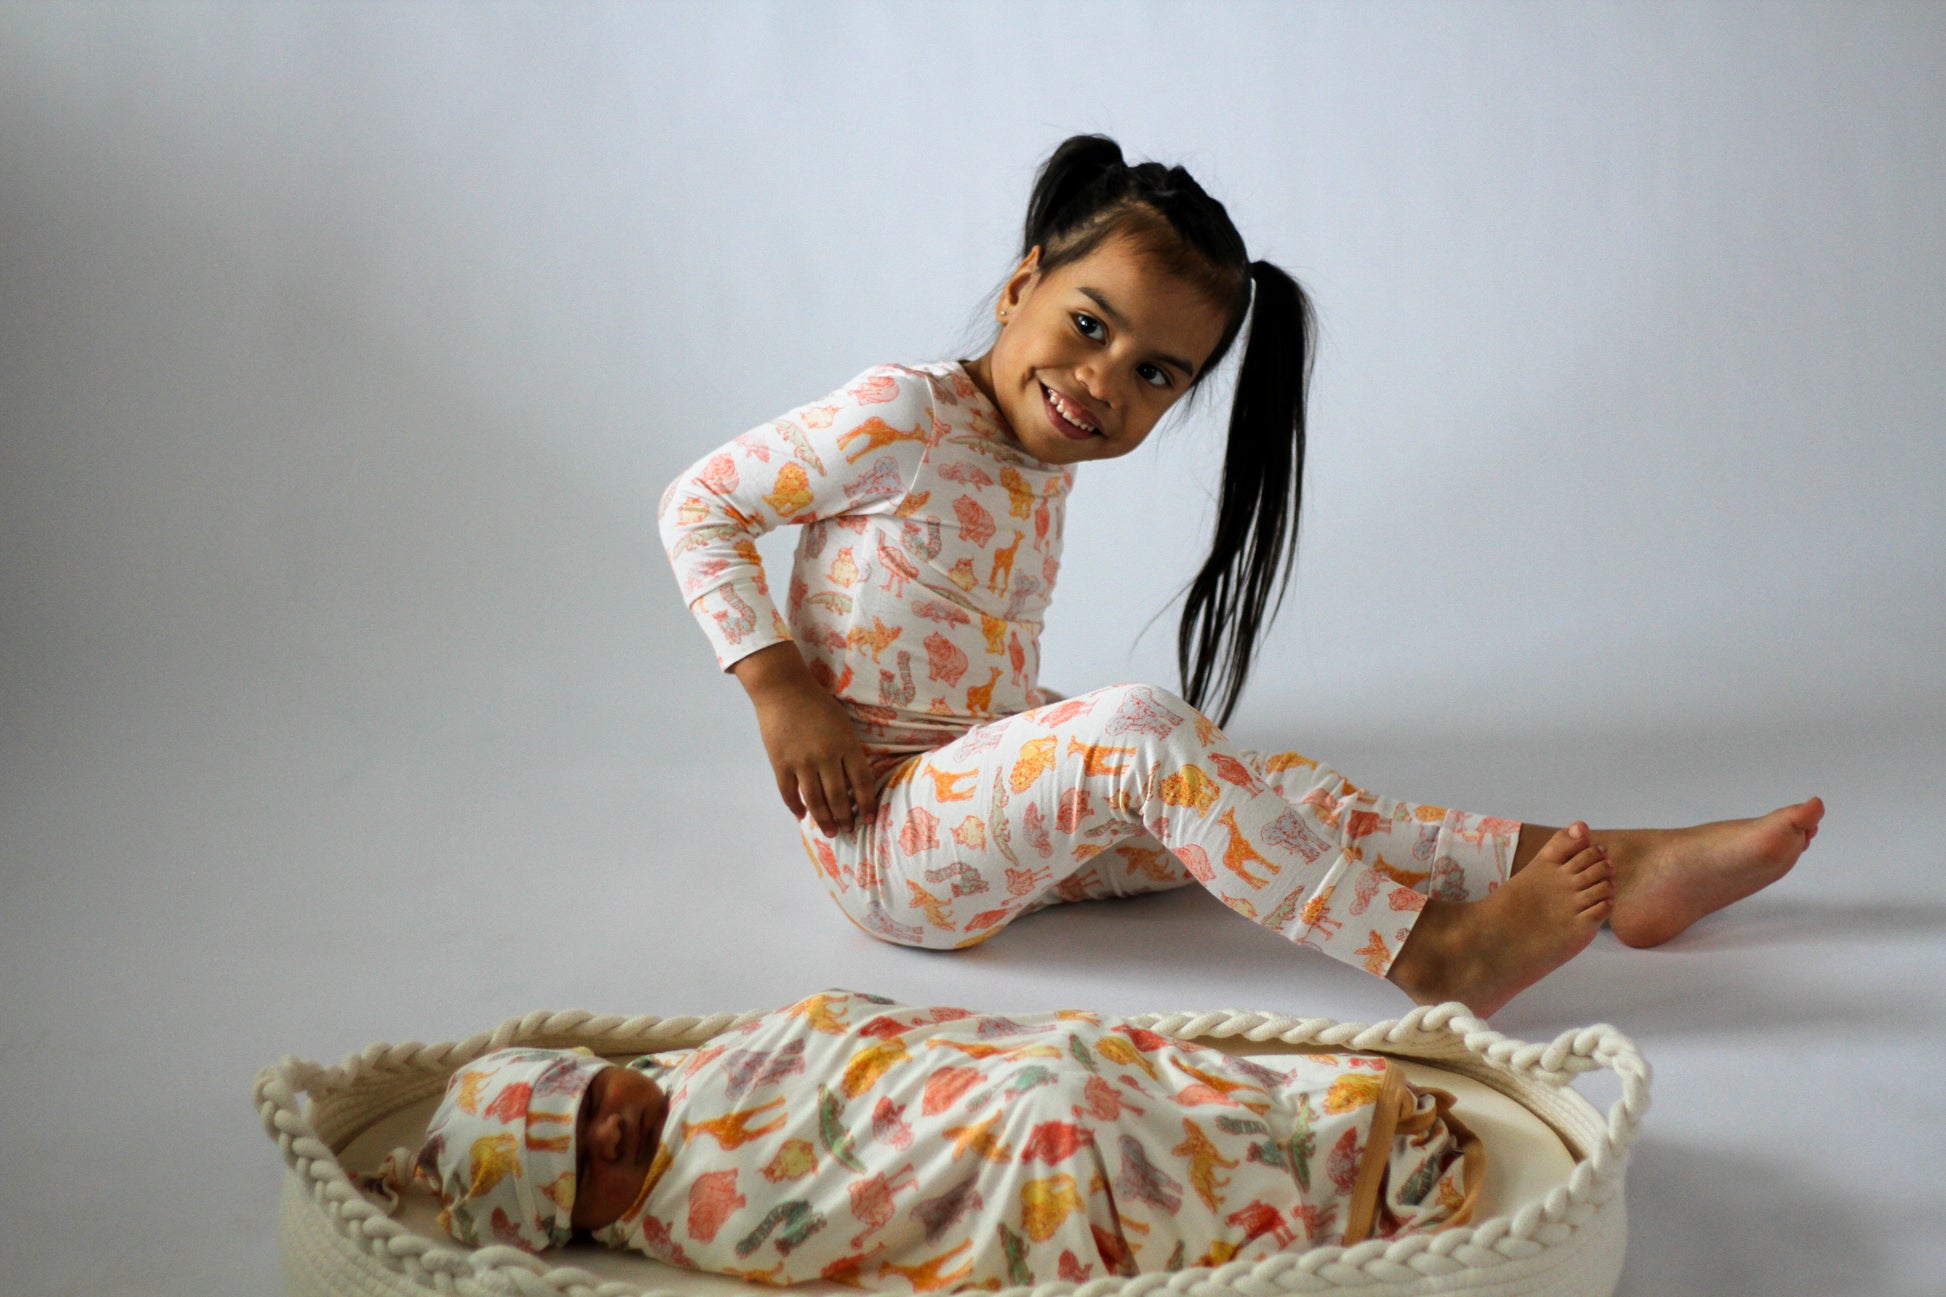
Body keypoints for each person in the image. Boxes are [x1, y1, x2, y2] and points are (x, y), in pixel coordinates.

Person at [660, 134, 1823, 1018]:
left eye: (1156, 373)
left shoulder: (1030, 460)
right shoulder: (901, 413)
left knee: (1261, 793)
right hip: (886, 838)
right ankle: (1434, 952)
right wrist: (780, 688)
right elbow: (698, 503)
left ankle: (1622, 866)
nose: (1101, 380)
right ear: (1019, 284)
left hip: (972, 798)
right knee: (1140, 729)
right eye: (1087, 323)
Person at [395, 990, 1484, 1288]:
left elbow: (850, 1035)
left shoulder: (699, 1072)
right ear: (575, 1218)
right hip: (994, 1144)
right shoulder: (699, 1207)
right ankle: (1327, 1174)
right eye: (581, 1162)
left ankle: (1319, 1119)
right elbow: (837, 1211)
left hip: (973, 1071)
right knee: (1057, 1119)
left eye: (587, 1103)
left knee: (1072, 1057)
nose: (613, 1129)